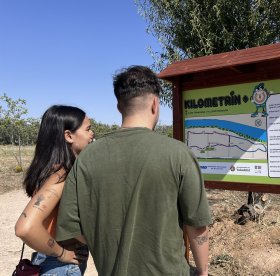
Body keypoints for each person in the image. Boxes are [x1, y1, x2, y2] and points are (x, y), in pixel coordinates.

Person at [56, 65, 212, 275]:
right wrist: (203, 271)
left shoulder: (86, 159)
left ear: (119, 107)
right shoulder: (179, 154)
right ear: (155, 104)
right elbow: (197, 226)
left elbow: (72, 231)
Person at [15, 105, 94, 275]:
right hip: (59, 265)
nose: (92, 134)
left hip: (50, 261)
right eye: (88, 129)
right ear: (69, 135)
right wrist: (62, 253)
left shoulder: (50, 169)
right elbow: (25, 228)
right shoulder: (61, 175)